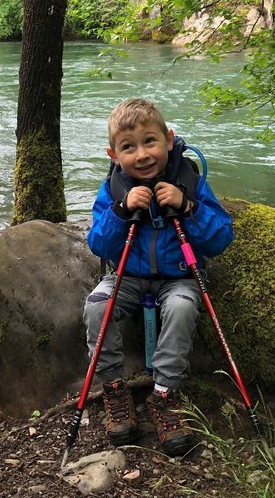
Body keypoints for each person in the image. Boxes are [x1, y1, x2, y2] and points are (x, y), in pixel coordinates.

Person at [84, 98, 234, 456]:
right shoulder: (113, 189)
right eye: (128, 147)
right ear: (113, 154)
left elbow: (221, 238)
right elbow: (98, 243)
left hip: (177, 277)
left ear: (169, 139)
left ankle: (164, 393)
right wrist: (122, 211)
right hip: (128, 277)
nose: (142, 154)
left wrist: (187, 207)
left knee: (182, 307)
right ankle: (115, 389)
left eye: (150, 141)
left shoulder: (190, 183)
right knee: (96, 306)